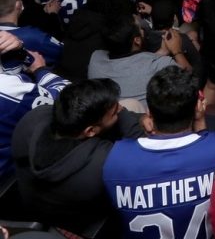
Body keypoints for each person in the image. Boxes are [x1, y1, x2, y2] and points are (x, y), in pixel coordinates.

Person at [103, 66, 215, 239]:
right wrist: (201, 121)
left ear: (149, 113)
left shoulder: (117, 158)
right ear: (196, 108)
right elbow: (207, 146)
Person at [11, 78, 143, 234]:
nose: (120, 109)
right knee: (133, 105)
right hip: (79, 220)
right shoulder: (106, 162)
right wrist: (127, 117)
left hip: (35, 204)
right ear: (90, 131)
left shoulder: (32, 119)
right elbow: (142, 151)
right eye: (115, 112)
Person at [0, 30, 69, 178]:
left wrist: (19, 52)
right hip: (13, 177)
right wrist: (40, 70)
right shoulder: (7, 90)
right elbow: (68, 97)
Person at [88, 20, 191, 108]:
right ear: (137, 40)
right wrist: (177, 51)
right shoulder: (159, 65)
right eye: (140, 28)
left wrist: (162, 52)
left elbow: (131, 65)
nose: (142, 30)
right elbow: (188, 79)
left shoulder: (95, 58)